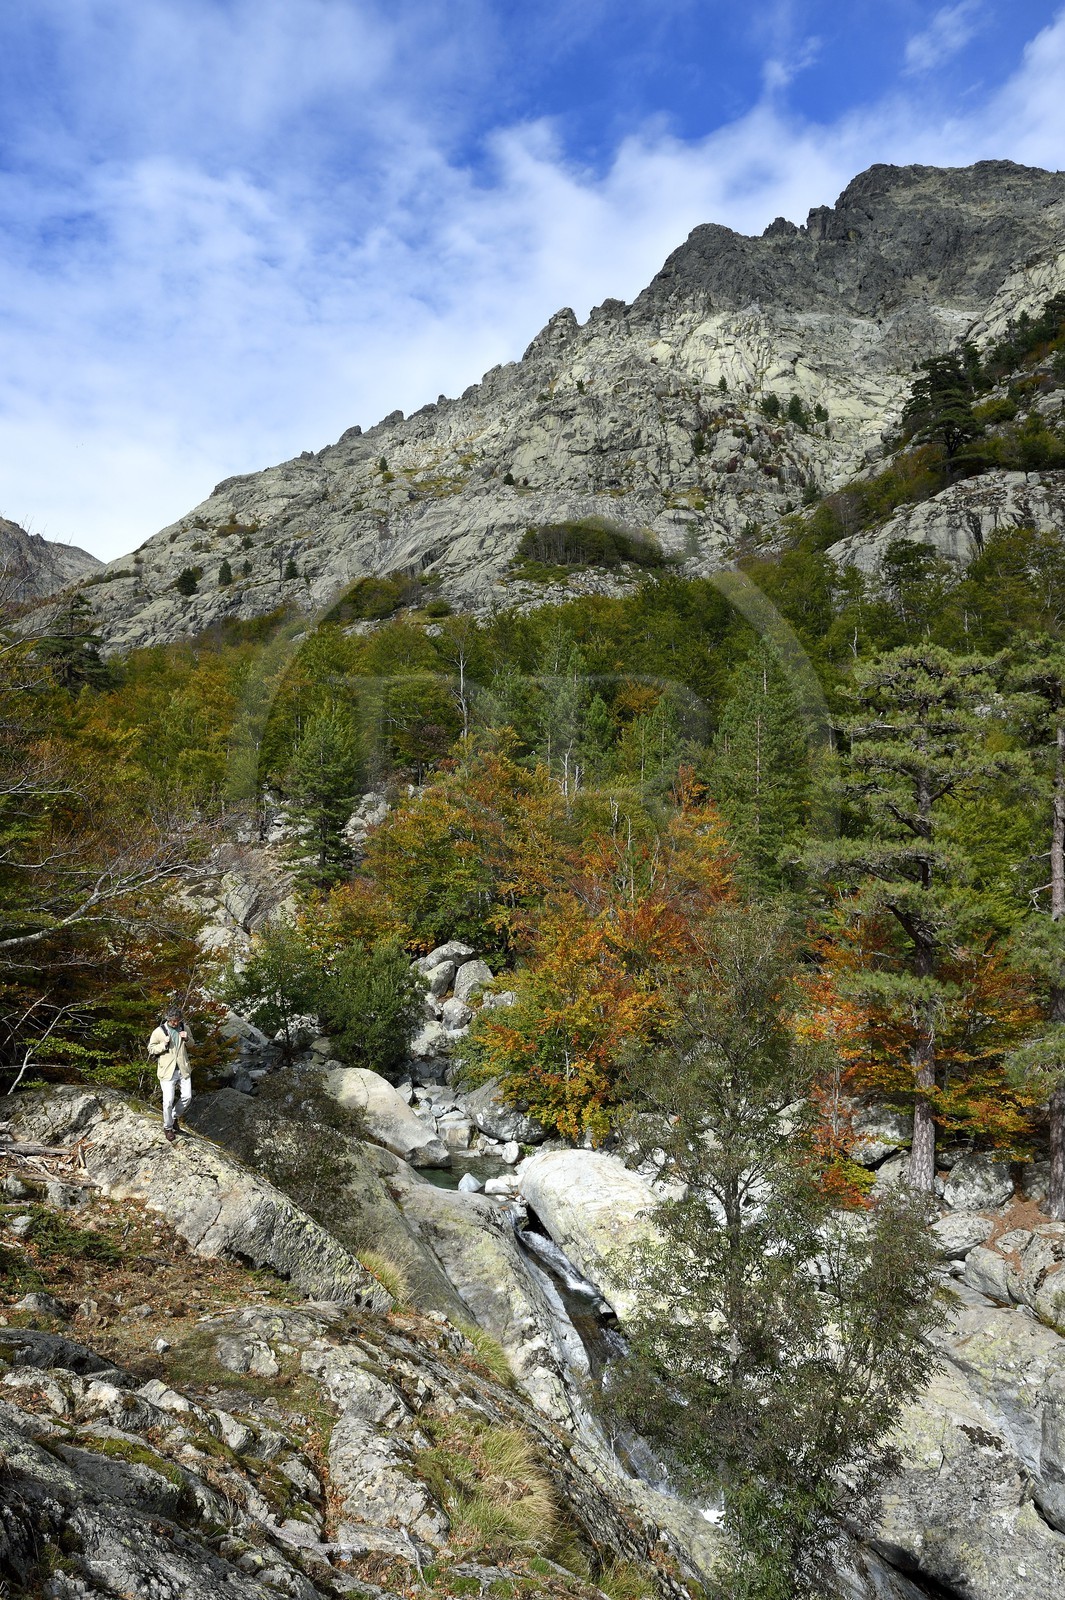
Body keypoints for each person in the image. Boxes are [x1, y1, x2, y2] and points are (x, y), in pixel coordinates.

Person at [147, 1008, 194, 1142]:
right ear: (168, 1019)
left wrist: (187, 1038)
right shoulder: (159, 1031)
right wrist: (163, 1045)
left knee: (187, 1097)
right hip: (167, 1070)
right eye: (173, 1021)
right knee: (168, 1100)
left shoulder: (185, 1028)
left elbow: (192, 1044)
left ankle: (173, 1117)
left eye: (177, 1021)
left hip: (183, 1069)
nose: (175, 1023)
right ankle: (168, 1128)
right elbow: (151, 1049)